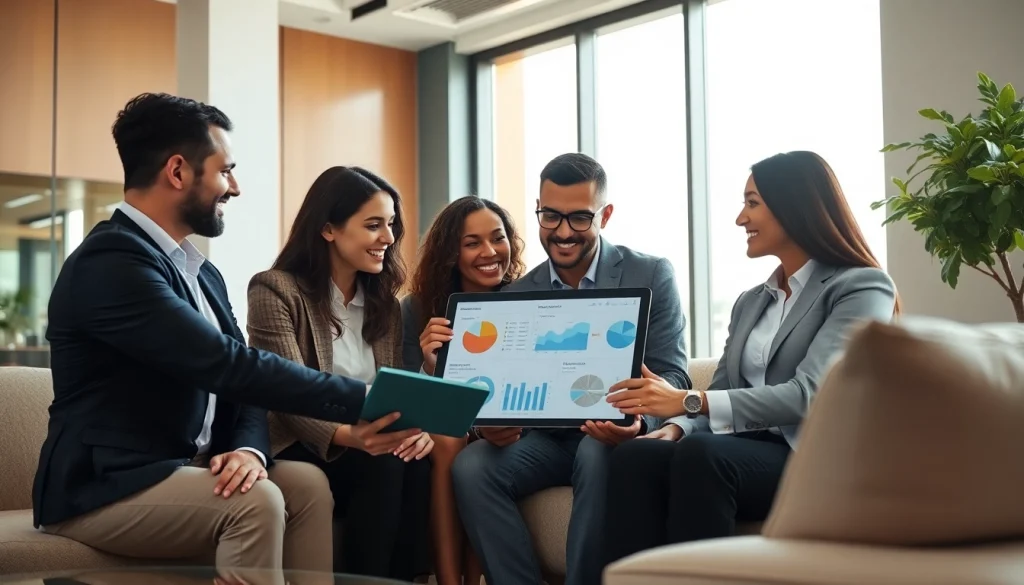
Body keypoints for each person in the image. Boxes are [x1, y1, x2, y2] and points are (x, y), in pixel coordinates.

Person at [34, 93, 419, 572]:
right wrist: (368, 398)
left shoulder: (202, 274)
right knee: (254, 502)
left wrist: (248, 448)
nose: (233, 187)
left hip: (186, 467)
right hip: (108, 482)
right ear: (177, 172)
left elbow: (243, 391)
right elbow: (230, 365)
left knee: (308, 486)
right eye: (225, 170)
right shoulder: (112, 263)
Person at [601, 150, 899, 566]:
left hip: (812, 456)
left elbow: (811, 394)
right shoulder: (751, 302)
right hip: (741, 449)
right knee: (638, 455)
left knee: (705, 457)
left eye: (752, 203)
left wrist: (689, 401)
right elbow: (723, 389)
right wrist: (679, 427)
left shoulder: (861, 287)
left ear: (795, 207)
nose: (741, 218)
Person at [448, 153, 691, 585]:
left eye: (579, 218)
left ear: (606, 214)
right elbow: (503, 386)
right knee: (472, 465)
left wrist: (637, 420)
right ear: (538, 210)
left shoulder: (650, 273)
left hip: (606, 436)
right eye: (550, 216)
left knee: (598, 451)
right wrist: (494, 426)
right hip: (543, 441)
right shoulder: (519, 292)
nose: (562, 232)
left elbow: (676, 377)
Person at [247, 166, 433, 580]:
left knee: (419, 460)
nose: (388, 237)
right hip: (301, 440)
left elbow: (393, 389)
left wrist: (414, 428)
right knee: (383, 463)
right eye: (373, 225)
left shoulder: (384, 301)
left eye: (390, 225)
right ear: (329, 229)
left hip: (368, 437)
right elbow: (285, 392)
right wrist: (351, 437)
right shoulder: (275, 290)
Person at [401, 195, 527, 585]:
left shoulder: (527, 301)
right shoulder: (418, 308)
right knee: (452, 440)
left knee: (477, 448)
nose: (490, 252)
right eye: (472, 243)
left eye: (498, 238)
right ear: (450, 252)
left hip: (510, 424)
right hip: (448, 429)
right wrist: (431, 365)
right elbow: (407, 393)